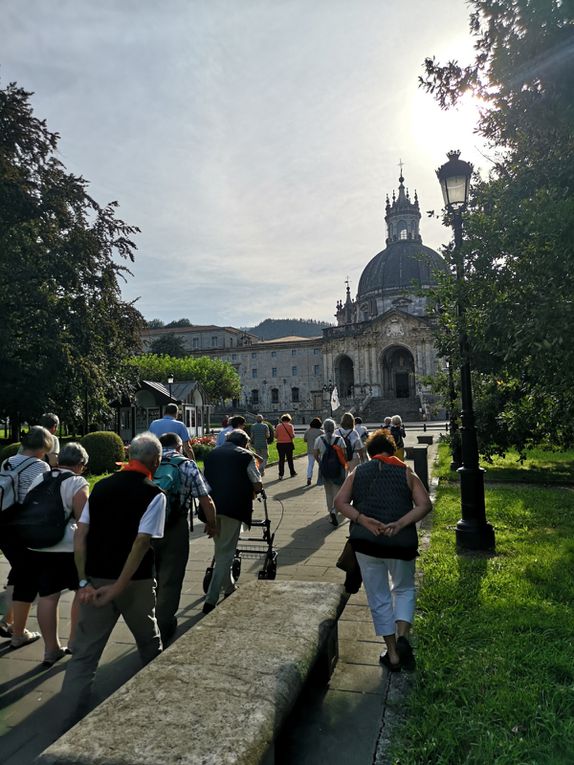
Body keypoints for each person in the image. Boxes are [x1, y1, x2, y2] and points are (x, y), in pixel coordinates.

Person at [61, 432, 166, 722]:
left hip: (95, 581)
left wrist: (83, 581)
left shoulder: (102, 487)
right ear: (156, 461)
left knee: (84, 656)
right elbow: (142, 541)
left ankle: (68, 720)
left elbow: (81, 533)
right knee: (148, 642)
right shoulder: (154, 494)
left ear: (130, 456)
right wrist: (119, 586)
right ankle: (158, 704)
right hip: (135, 583)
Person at [334, 429, 431, 672]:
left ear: (370, 452)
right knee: (404, 588)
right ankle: (403, 636)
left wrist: (362, 519)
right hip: (400, 543)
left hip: (367, 543)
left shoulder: (358, 472)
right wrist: (400, 523)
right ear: (393, 449)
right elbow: (424, 505)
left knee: (378, 596)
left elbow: (340, 502)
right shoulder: (406, 471)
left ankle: (393, 654)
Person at [27, 442, 90, 666]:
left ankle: (50, 649)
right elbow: (83, 520)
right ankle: (73, 642)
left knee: (48, 596)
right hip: (67, 546)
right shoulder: (77, 482)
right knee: (79, 591)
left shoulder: (41, 478)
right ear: (80, 464)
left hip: (40, 546)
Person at [153, 433, 217, 644]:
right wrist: (211, 523)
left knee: (149, 576)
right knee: (171, 577)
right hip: (175, 525)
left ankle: (147, 623)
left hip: (147, 526)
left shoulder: (150, 460)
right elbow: (205, 498)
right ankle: (164, 625)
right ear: (179, 446)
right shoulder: (187, 465)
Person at [0, 425, 53, 647]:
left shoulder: (9, 461)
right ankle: (18, 633)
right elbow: (39, 499)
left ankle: (8, 620)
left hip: (2, 523)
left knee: (20, 570)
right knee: (28, 575)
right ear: (44, 445)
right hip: (21, 527)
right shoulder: (40, 466)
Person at [202, 430, 262, 613]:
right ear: (245, 443)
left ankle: (229, 588)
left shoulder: (211, 454)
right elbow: (257, 483)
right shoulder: (246, 456)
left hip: (211, 507)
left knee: (221, 549)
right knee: (226, 553)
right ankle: (211, 600)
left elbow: (204, 479)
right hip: (233, 508)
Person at [313, 418, 346, 526]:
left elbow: (315, 454)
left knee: (328, 492)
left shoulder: (319, 439)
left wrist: (321, 463)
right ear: (334, 427)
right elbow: (344, 455)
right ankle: (334, 511)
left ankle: (330, 511)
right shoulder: (339, 439)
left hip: (325, 469)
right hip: (337, 469)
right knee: (337, 491)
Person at [275, 413, 296, 479]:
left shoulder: (278, 426)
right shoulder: (290, 426)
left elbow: (275, 436)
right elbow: (292, 436)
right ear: (289, 419)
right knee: (290, 459)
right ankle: (292, 473)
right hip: (288, 444)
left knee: (281, 459)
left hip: (280, 444)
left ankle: (281, 475)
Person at [303, 417, 323, 486]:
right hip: (319, 451)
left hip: (310, 450)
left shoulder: (307, 431)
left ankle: (309, 478)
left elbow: (305, 440)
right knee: (320, 465)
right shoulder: (321, 432)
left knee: (310, 464)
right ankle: (320, 478)